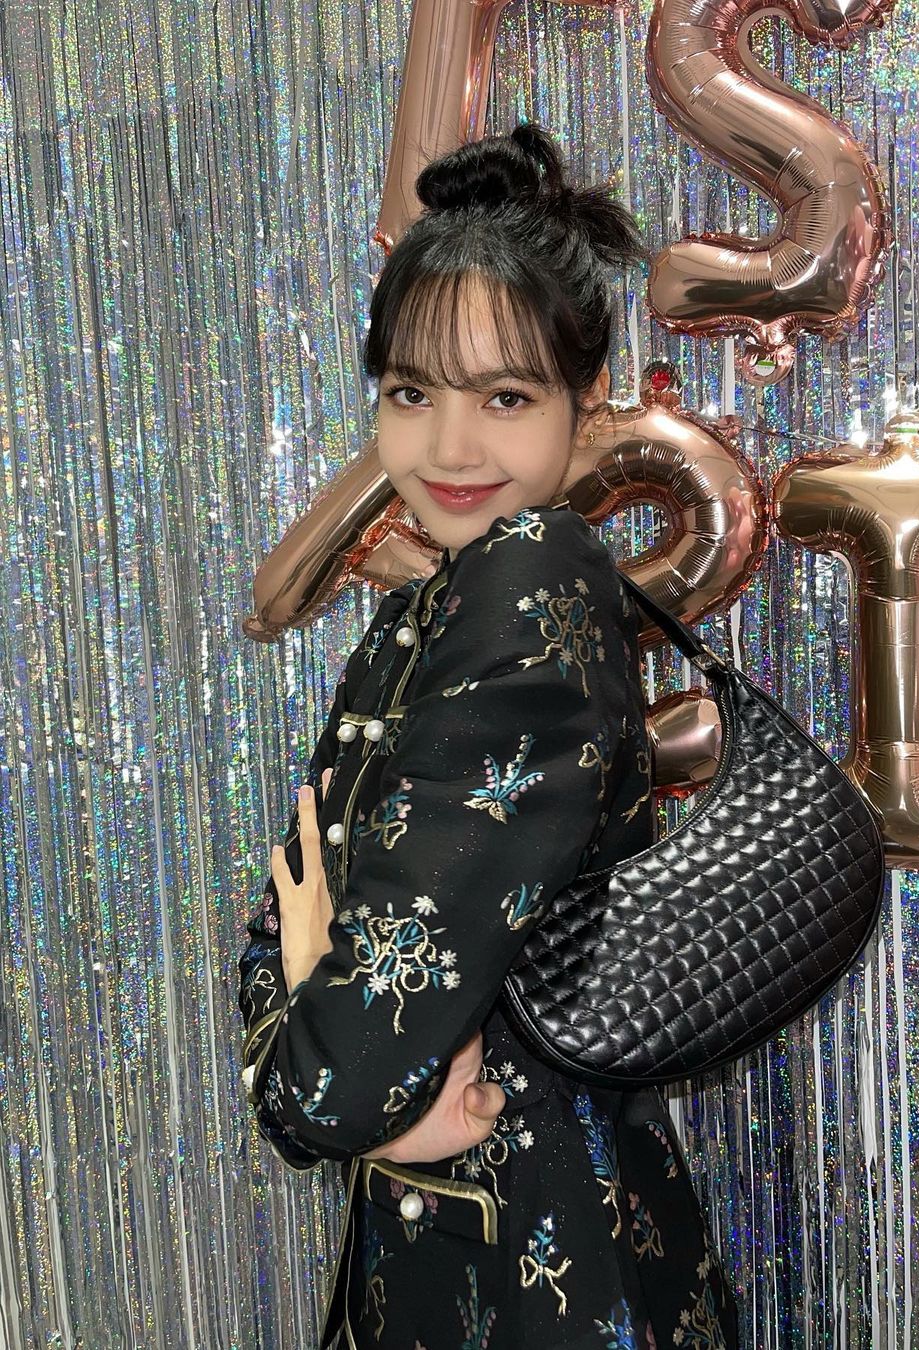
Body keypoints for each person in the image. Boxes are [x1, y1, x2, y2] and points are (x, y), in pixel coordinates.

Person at [238, 122, 738, 1350]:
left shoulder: (527, 578)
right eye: (412, 393)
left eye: (505, 397)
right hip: (458, 1238)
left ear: (585, 400)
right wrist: (320, 1020)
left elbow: (338, 1070)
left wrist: (331, 1075)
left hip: (538, 1255)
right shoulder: (430, 607)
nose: (450, 447)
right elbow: (289, 916)